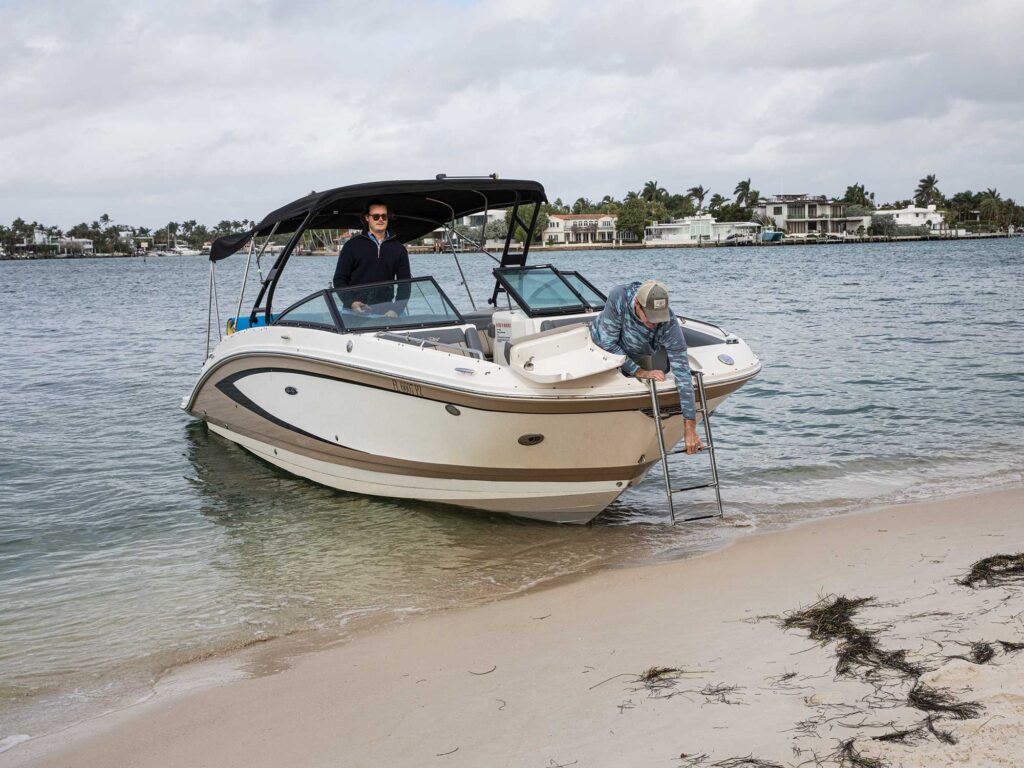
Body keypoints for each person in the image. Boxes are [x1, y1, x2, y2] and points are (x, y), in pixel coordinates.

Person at [590, 279, 704, 454]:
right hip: (600, 351)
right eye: (650, 317)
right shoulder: (619, 296)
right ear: (637, 304)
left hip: (637, 354)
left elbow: (682, 374)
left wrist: (690, 427)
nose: (655, 323)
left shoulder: (668, 322)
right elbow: (607, 343)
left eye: (658, 317)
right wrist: (640, 371)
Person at [332, 199, 411, 317]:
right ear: (367, 218)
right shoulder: (351, 246)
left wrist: (396, 310)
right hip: (353, 311)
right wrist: (351, 302)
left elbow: (405, 284)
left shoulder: (399, 249)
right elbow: (339, 279)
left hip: (387, 312)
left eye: (384, 216)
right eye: (376, 216)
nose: (380, 219)